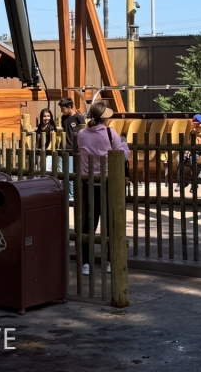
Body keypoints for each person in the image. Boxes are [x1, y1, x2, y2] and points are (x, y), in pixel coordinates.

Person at [76, 101, 130, 275]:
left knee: (88, 224)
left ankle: (86, 262)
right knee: (109, 223)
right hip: (107, 183)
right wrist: (123, 143)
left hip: (88, 183)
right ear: (105, 118)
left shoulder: (82, 133)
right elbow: (121, 154)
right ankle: (108, 261)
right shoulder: (110, 133)